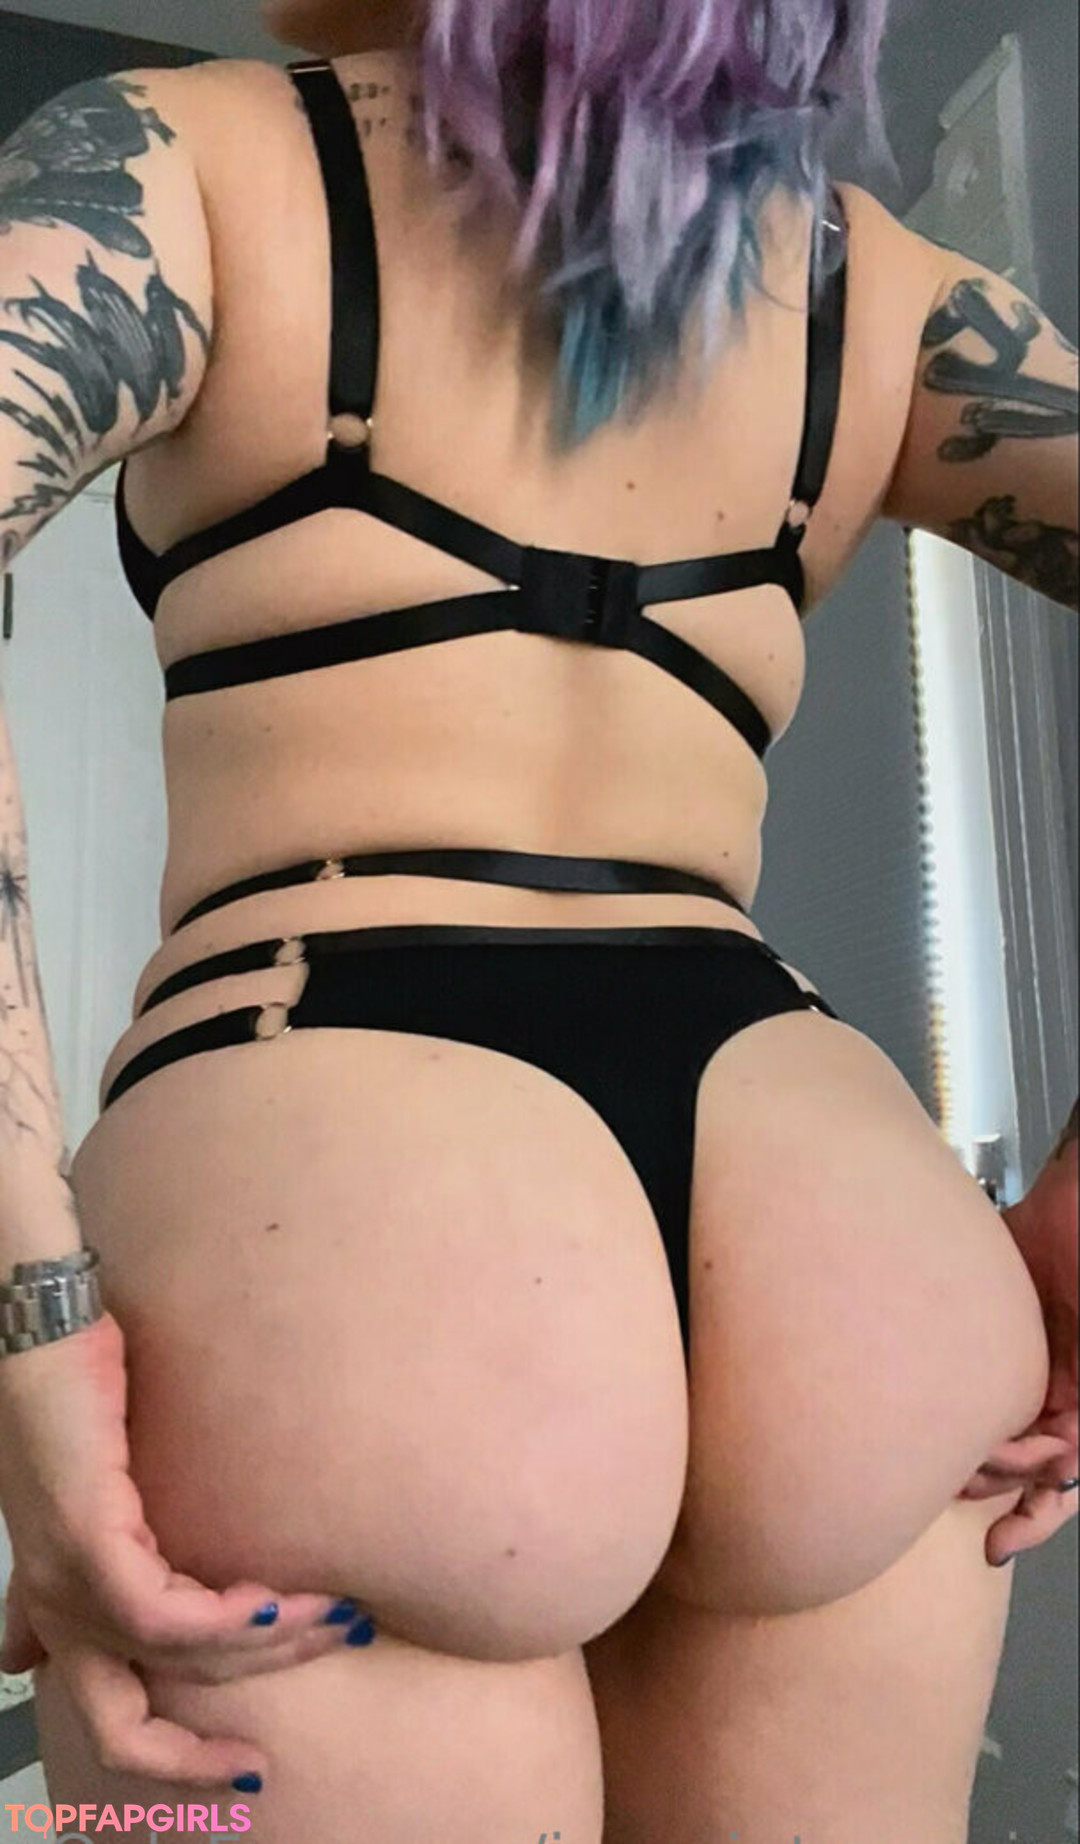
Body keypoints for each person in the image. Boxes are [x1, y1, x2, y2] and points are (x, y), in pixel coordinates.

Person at [0, 0, 1076, 1836]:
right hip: (838, 1236)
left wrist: (34, 1333)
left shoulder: (188, 165)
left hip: (347, 1201)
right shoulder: (885, 295)